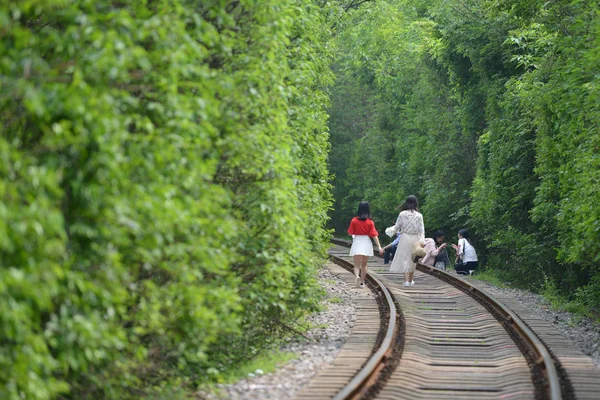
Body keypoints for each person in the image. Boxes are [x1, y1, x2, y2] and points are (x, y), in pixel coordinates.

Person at [386, 195, 425, 287]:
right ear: (416, 203)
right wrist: (422, 241)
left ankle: (406, 281)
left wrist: (388, 231)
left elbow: (397, 227)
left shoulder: (402, 214)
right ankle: (411, 280)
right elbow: (421, 230)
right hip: (415, 239)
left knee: (404, 258)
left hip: (405, 238)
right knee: (413, 259)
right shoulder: (419, 215)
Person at [348, 201, 382, 288]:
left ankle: (357, 277)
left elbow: (350, 232)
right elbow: (374, 235)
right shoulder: (370, 222)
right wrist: (379, 246)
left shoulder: (354, 220)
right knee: (364, 264)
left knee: (356, 264)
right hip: (366, 242)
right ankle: (362, 282)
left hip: (357, 241)